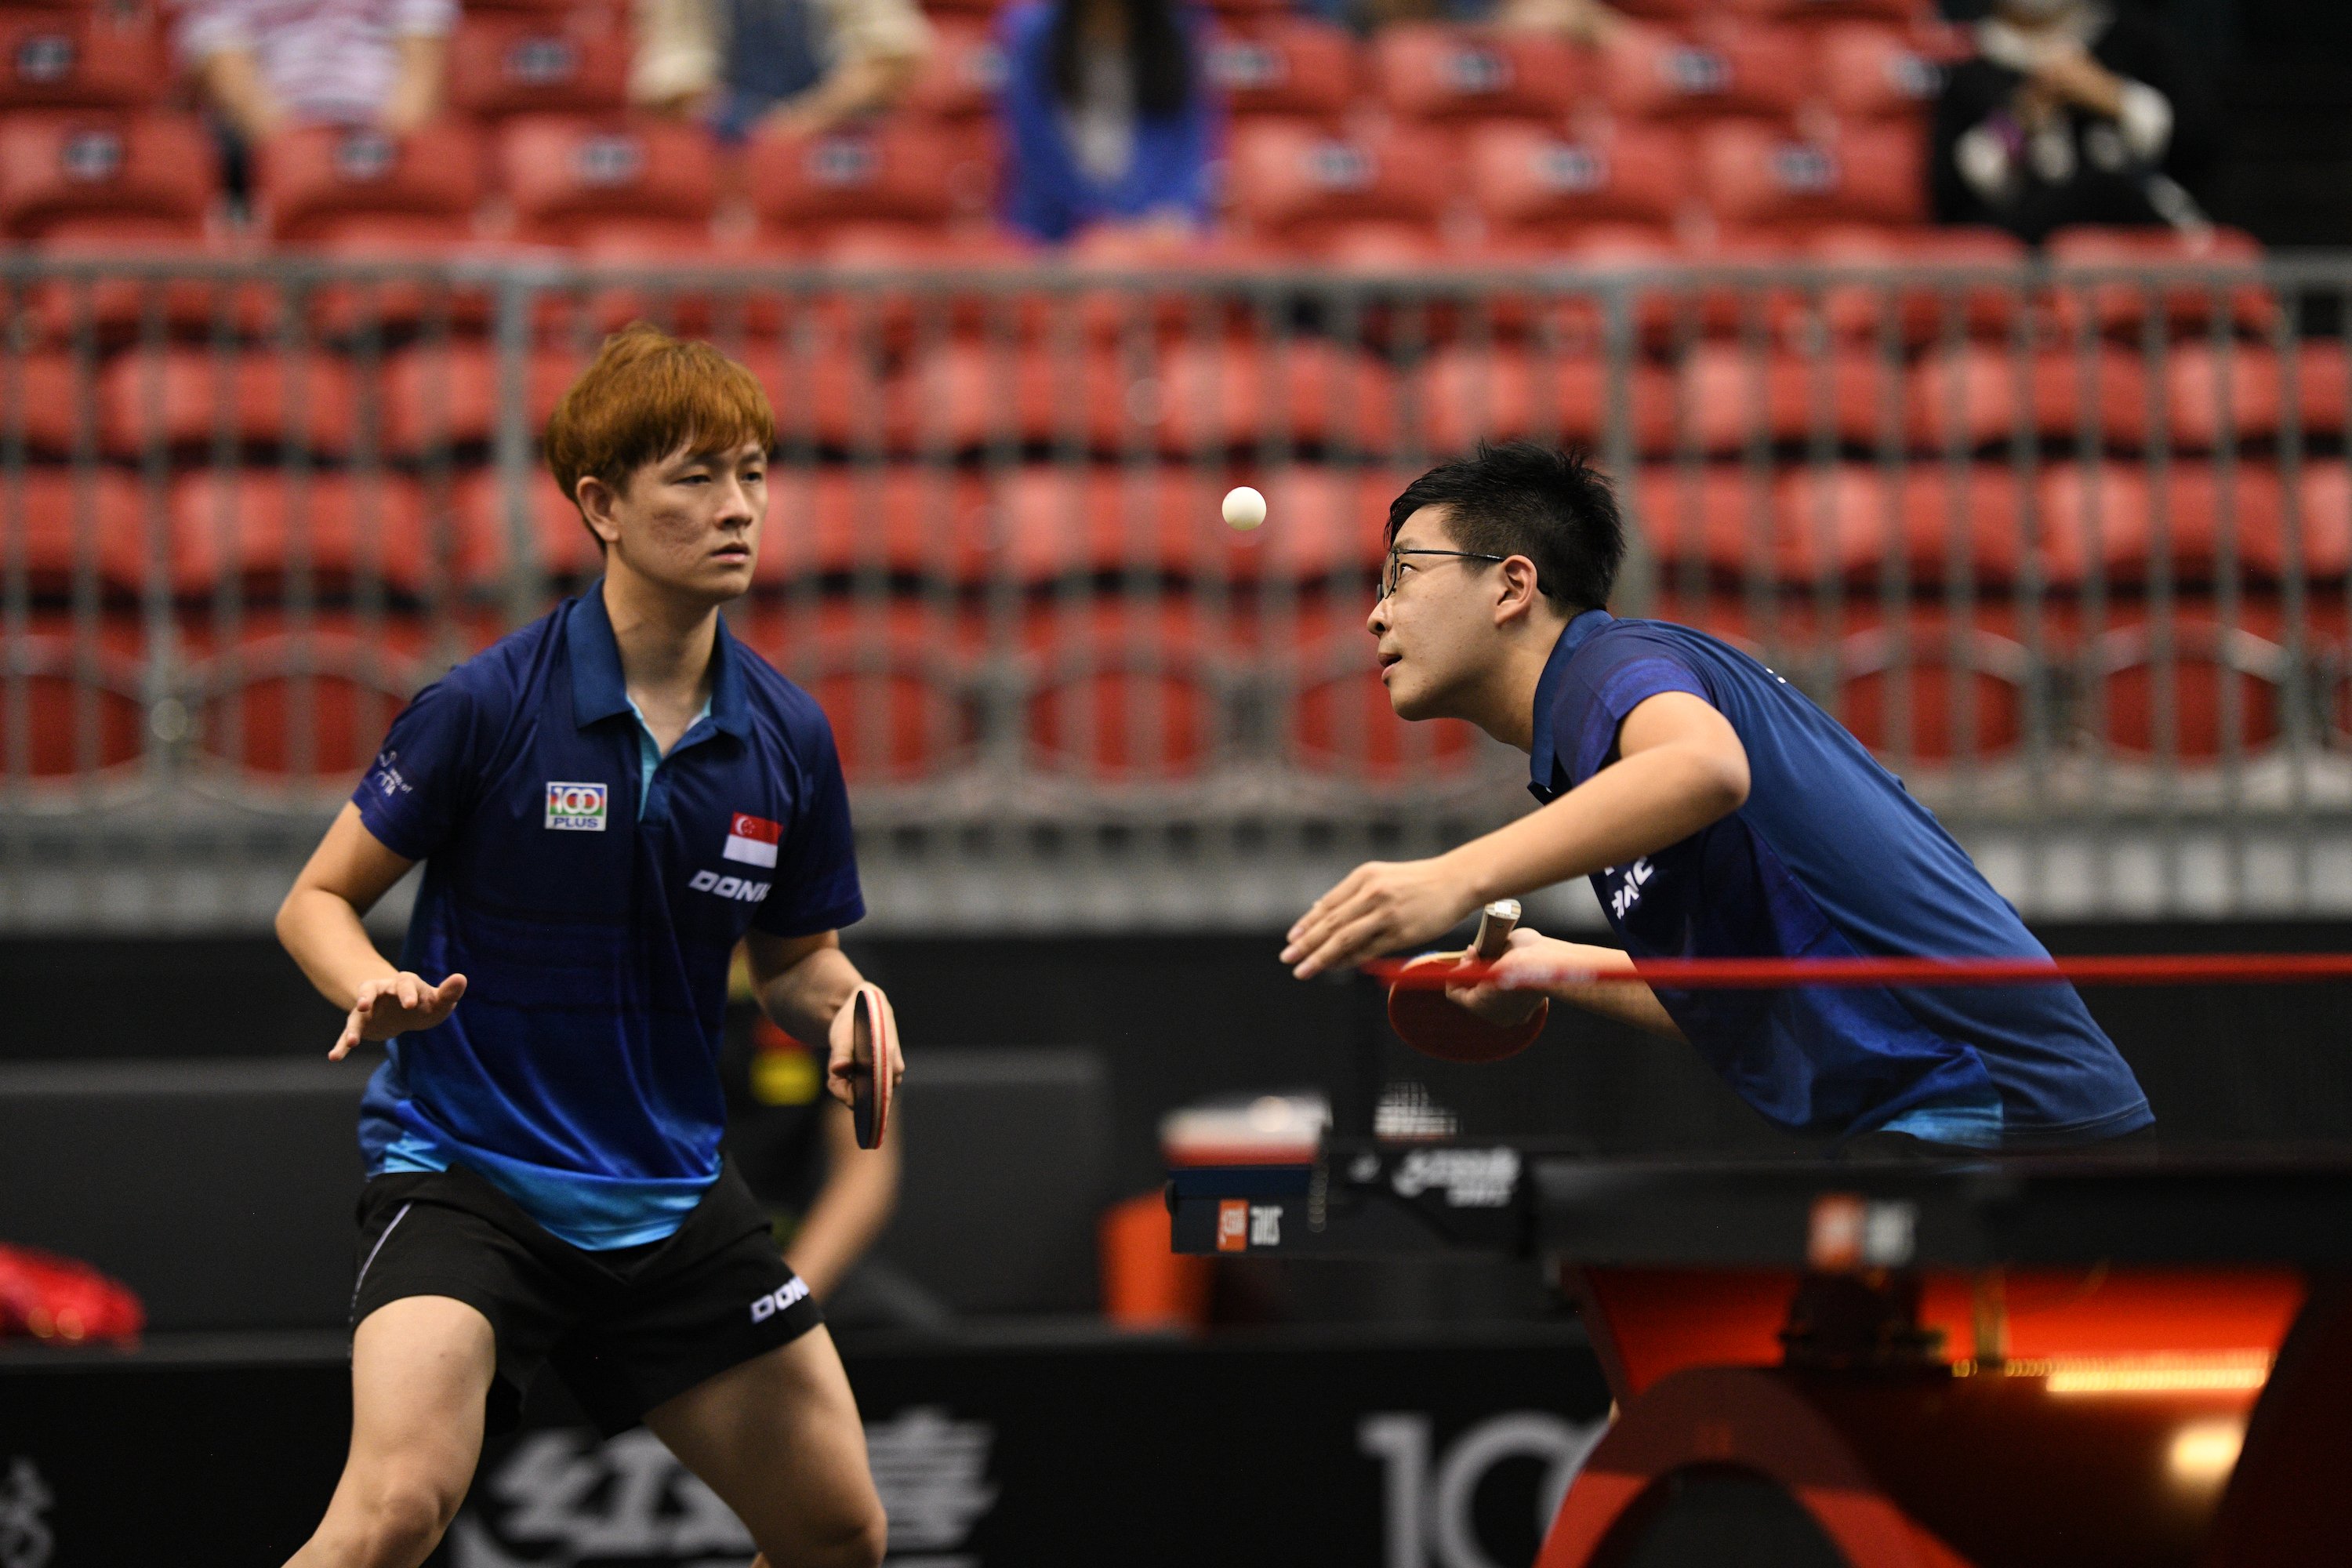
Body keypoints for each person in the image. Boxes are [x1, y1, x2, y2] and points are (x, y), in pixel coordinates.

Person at [274, 323, 898, 1568]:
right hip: (471, 1173)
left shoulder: (786, 735)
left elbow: (792, 962)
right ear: (601, 505)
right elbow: (316, 901)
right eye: (697, 477)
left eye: (755, 473)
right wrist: (375, 984)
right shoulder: (487, 707)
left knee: (837, 1534)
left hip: (669, 1197)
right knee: (393, 1512)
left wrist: (849, 1010)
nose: (739, 509)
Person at [1281, 442, 2153, 1156]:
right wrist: (1542, 960)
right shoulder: (1594, 750)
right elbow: (1734, 992)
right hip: (1969, 1123)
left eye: (1403, 573)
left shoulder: (1606, 669)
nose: (1376, 614)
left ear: (1513, 585)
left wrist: (1454, 878)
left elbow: (1706, 770)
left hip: (2006, 1117)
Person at [1932, 0, 2219, 242]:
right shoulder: (1968, 59)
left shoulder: (2136, 40)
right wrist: (2021, 119)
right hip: (2027, 241)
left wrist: (2115, 98)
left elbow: (2200, 149)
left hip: (2142, 231)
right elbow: (1951, 194)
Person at [996, 0, 1221, 245]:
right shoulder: (1030, 29)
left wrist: (1165, 218)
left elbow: (1189, 145)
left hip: (1154, 233)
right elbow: (1033, 149)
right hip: (1053, 233)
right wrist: (1098, 228)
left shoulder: (1180, 26)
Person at [631, 0, 933, 144]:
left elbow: (887, 59)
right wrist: (752, 128)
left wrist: (799, 123)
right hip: (728, 144)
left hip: (841, 135)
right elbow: (673, 79)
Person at [179, 0, 452, 145]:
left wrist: (379, 155)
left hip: (385, 126)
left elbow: (421, 68)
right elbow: (228, 69)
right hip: (266, 132)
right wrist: (295, 156)